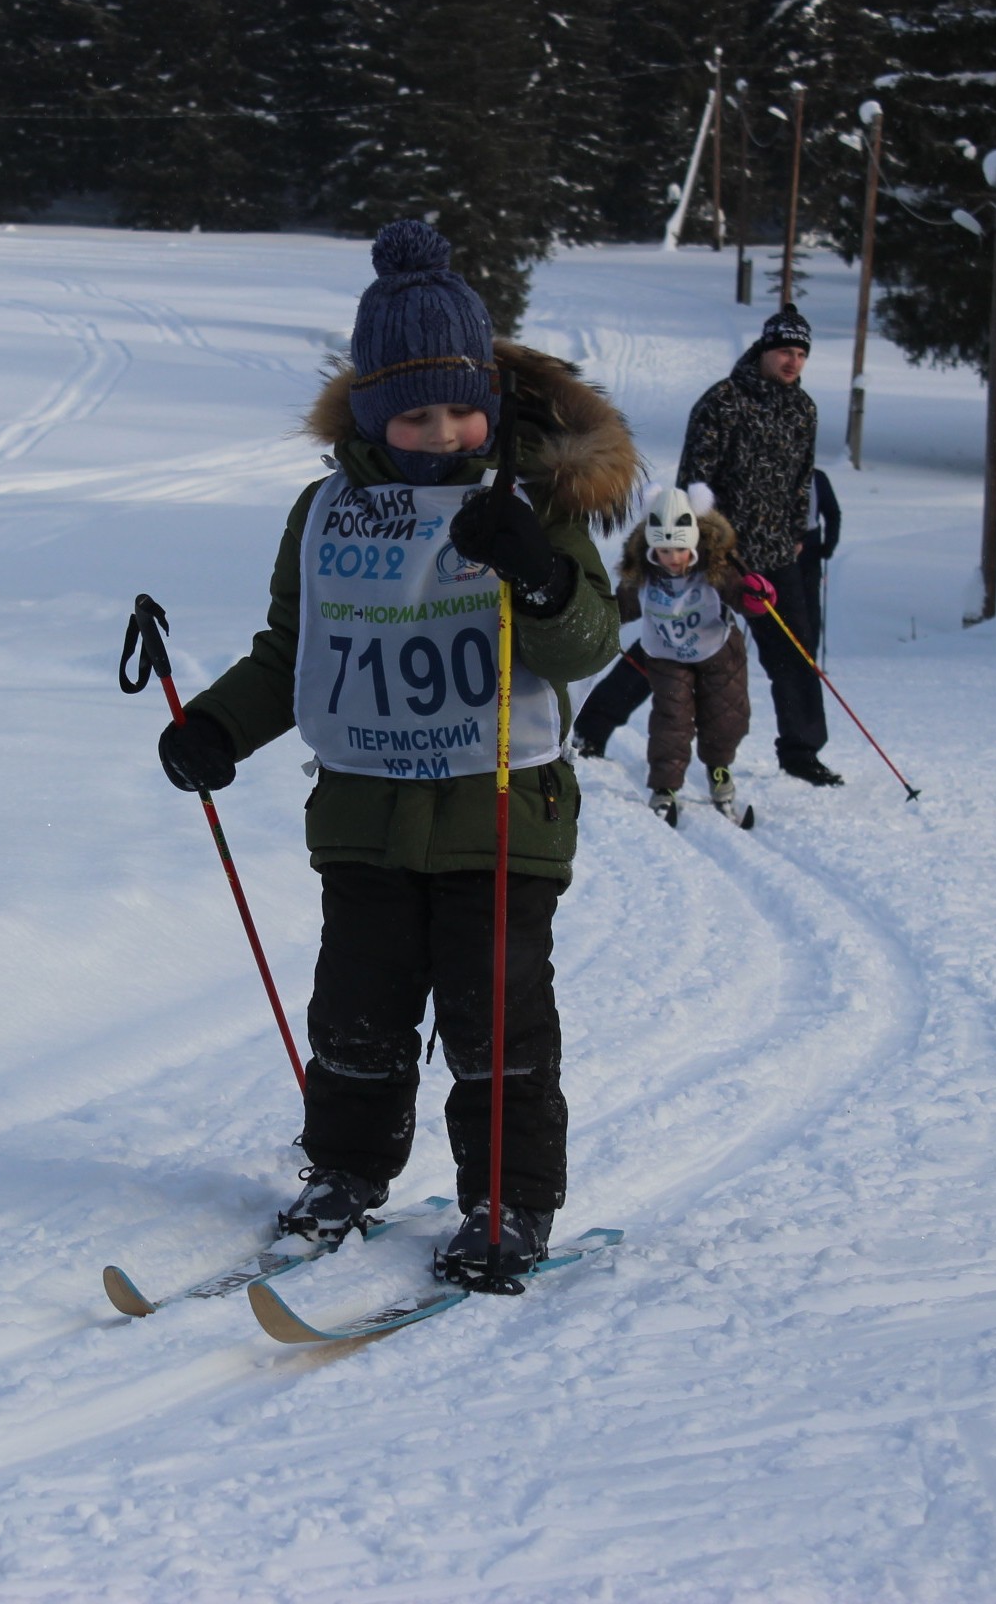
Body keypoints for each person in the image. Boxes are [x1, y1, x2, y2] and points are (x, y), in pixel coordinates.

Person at [156, 221, 639, 1280]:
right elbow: (297, 649)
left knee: (495, 1023)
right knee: (356, 1013)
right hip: (365, 813)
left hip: (499, 816)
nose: (443, 430)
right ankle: (345, 1171)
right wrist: (217, 726)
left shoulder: (529, 504)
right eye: (414, 413)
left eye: (461, 407)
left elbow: (593, 644)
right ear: (375, 411)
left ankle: (508, 1204)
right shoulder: (328, 512)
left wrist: (544, 578)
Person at [677, 306, 842, 786]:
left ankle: (801, 751)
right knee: (678, 641)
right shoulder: (724, 400)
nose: (792, 361)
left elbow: (800, 481)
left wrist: (795, 534)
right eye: (785, 351)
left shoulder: (803, 409)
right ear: (765, 351)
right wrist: (702, 539)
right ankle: (597, 726)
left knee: (795, 653)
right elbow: (694, 477)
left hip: (776, 557)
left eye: (800, 354)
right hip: (719, 554)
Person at [615, 483, 755, 828]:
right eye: (663, 550)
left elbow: (740, 594)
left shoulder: (714, 566)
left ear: (691, 542)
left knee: (726, 717)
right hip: (666, 655)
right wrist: (595, 617)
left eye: (678, 549)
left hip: (718, 651)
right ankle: (664, 786)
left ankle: (720, 770)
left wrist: (754, 596)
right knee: (671, 720)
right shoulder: (642, 575)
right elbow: (619, 607)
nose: (672, 558)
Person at [801, 465, 842, 662]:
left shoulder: (817, 477)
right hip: (782, 546)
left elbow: (832, 513)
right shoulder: (779, 470)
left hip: (811, 546)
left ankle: (810, 657)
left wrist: (829, 545)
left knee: (810, 605)